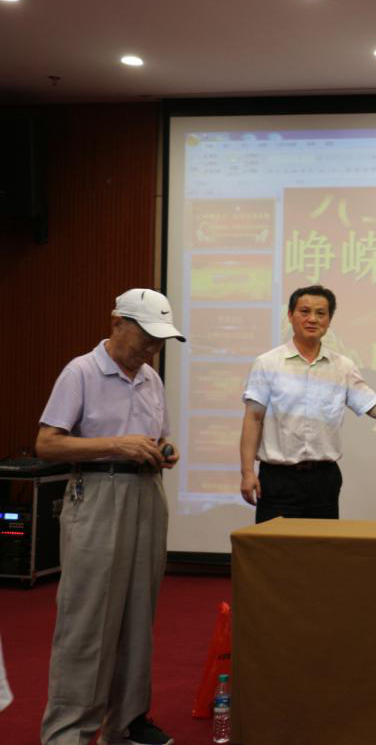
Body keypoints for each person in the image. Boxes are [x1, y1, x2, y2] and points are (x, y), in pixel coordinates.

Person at [36, 288, 185, 745]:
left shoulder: (151, 377)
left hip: (147, 493)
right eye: (147, 336)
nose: (153, 348)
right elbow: (47, 444)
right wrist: (116, 445)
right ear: (118, 323)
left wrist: (164, 449)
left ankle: (126, 722)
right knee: (88, 617)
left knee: (139, 614)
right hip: (99, 494)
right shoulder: (81, 371)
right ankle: (69, 731)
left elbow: (159, 436)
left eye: (160, 340)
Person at [239, 285, 376, 522]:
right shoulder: (267, 363)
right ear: (290, 315)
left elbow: (374, 407)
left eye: (321, 313)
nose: (312, 319)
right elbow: (253, 418)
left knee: (321, 543)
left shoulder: (342, 366)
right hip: (278, 478)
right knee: (275, 544)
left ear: (329, 320)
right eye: (304, 311)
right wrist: (247, 472)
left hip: (324, 478)